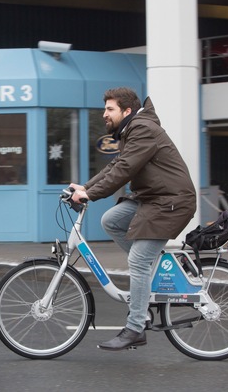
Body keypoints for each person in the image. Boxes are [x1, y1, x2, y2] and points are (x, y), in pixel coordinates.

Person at [69, 87, 196, 351]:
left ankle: (136, 328)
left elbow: (126, 169)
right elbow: (115, 165)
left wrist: (90, 195)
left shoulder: (143, 129)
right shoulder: (131, 131)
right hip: (153, 199)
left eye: (109, 109)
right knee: (112, 220)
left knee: (138, 260)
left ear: (126, 111)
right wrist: (84, 187)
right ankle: (148, 273)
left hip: (171, 202)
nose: (104, 114)